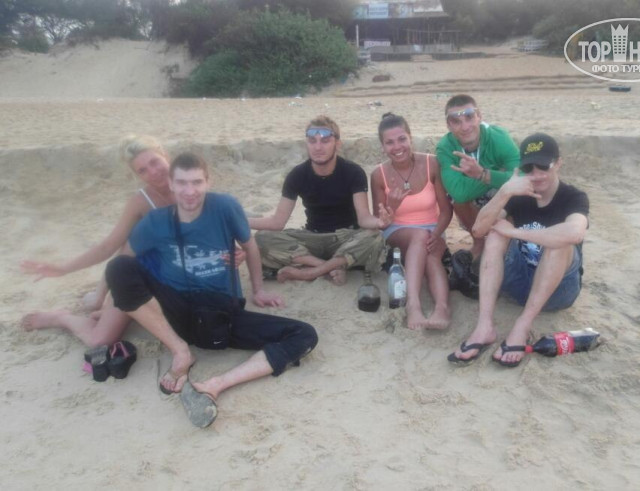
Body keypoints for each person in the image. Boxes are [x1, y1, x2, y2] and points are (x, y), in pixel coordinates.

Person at [105, 152, 317, 427]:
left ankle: (216, 385)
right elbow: (125, 263)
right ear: (171, 184)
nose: (189, 191)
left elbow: (250, 246)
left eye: (196, 182)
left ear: (208, 182)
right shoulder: (155, 222)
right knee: (118, 267)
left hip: (219, 314)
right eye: (182, 183)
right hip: (173, 308)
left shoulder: (225, 207)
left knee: (304, 334)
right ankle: (180, 351)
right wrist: (108, 304)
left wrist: (258, 290)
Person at [447, 133, 589, 368]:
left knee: (559, 243)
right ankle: (484, 326)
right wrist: (505, 192)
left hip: (558, 292)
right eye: (529, 168)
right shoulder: (519, 194)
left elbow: (574, 233)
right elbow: (479, 229)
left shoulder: (573, 197)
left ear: (558, 163)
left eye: (543, 166)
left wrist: (516, 232)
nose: (537, 174)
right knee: (495, 234)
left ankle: (522, 326)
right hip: (517, 285)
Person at [20, 135, 177, 347]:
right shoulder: (140, 202)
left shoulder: (192, 185)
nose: (153, 172)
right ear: (137, 175)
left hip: (176, 275)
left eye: (154, 162)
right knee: (100, 340)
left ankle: (103, 305)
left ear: (165, 155)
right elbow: (109, 246)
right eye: (142, 170)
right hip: (138, 277)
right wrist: (63, 269)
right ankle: (62, 317)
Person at [250, 116, 390, 284]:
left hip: (346, 238)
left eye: (325, 141)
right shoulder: (297, 175)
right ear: (306, 144)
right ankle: (330, 267)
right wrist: (238, 220)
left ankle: (309, 272)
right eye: (312, 141)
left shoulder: (353, 172)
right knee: (262, 237)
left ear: (337, 144)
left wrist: (379, 222)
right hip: (312, 238)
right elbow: (277, 222)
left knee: (375, 237)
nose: (318, 147)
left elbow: (363, 218)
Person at [370, 113, 452, 330]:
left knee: (432, 256)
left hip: (433, 227)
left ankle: (442, 308)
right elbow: (380, 223)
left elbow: (446, 211)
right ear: (383, 146)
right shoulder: (378, 175)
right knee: (419, 236)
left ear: (410, 138)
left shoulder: (432, 163)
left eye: (401, 139)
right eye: (390, 142)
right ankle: (413, 305)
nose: (397, 147)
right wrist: (392, 206)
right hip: (396, 230)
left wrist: (437, 234)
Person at [436, 94, 520, 259]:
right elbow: (458, 192)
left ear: (479, 116)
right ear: (448, 125)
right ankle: (479, 241)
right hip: (473, 199)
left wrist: (483, 174)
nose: (465, 126)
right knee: (456, 199)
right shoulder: (445, 148)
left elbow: (522, 176)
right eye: (456, 121)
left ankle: (509, 242)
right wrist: (496, 173)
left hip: (500, 195)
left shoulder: (498, 137)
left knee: (516, 194)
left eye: (469, 117)